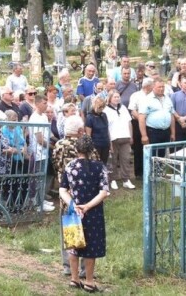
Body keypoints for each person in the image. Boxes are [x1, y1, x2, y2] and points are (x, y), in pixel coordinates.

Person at [59, 134, 108, 293]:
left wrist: (73, 204)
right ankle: (89, 281)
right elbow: (104, 192)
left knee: (74, 245)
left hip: (73, 210)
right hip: (92, 212)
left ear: (76, 149)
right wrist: (87, 206)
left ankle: (74, 279)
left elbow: (62, 190)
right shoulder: (99, 166)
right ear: (91, 149)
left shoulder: (70, 166)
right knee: (90, 247)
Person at [53, 116, 96, 278]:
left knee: (69, 230)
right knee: (87, 232)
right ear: (79, 131)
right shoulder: (86, 148)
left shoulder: (58, 145)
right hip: (86, 197)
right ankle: (85, 270)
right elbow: (95, 167)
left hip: (66, 196)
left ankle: (68, 268)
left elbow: (56, 165)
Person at [104, 91, 134, 190]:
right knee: (113, 160)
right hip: (113, 138)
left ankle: (126, 179)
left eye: (118, 97)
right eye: (115, 97)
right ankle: (113, 179)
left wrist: (131, 136)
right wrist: (109, 142)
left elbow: (129, 122)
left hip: (125, 136)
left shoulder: (123, 108)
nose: (117, 99)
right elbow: (107, 127)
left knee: (126, 159)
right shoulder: (106, 110)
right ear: (110, 98)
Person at [138, 78, 175, 158]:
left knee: (162, 156)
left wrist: (173, 133)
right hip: (153, 132)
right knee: (152, 156)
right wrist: (144, 135)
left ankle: (159, 170)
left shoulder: (167, 99)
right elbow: (141, 118)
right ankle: (151, 171)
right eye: (159, 87)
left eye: (163, 87)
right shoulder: (147, 99)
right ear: (153, 87)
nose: (161, 89)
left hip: (166, 132)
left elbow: (171, 116)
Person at [85, 96, 110, 164]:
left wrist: (110, 143)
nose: (101, 109)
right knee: (96, 163)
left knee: (104, 163)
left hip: (105, 143)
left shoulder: (104, 115)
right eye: (100, 107)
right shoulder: (89, 117)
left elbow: (107, 129)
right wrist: (90, 147)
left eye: (103, 107)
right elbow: (88, 134)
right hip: (96, 145)